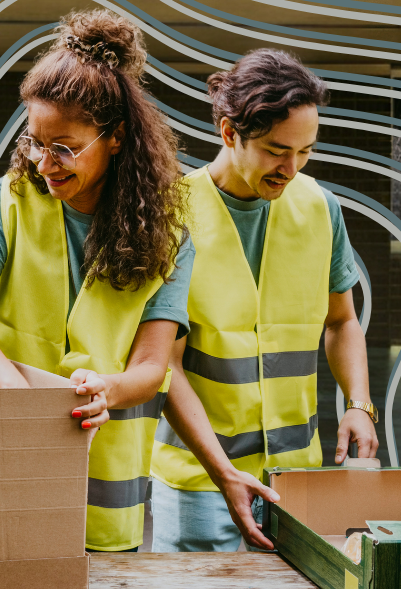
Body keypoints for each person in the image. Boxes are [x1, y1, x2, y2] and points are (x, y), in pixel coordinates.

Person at [0, 9, 193, 553]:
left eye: (65, 147)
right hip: (6, 465)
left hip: (108, 491)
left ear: (117, 139)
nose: (45, 161)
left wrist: (109, 391)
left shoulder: (168, 236)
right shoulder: (10, 199)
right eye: (34, 141)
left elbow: (152, 366)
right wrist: (19, 401)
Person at [150, 49, 379, 552]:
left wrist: (359, 403)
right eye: (278, 150)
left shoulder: (321, 207)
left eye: (305, 151)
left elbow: (341, 322)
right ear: (230, 132)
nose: (291, 167)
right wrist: (222, 471)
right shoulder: (170, 216)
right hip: (200, 485)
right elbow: (165, 365)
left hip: (294, 483)